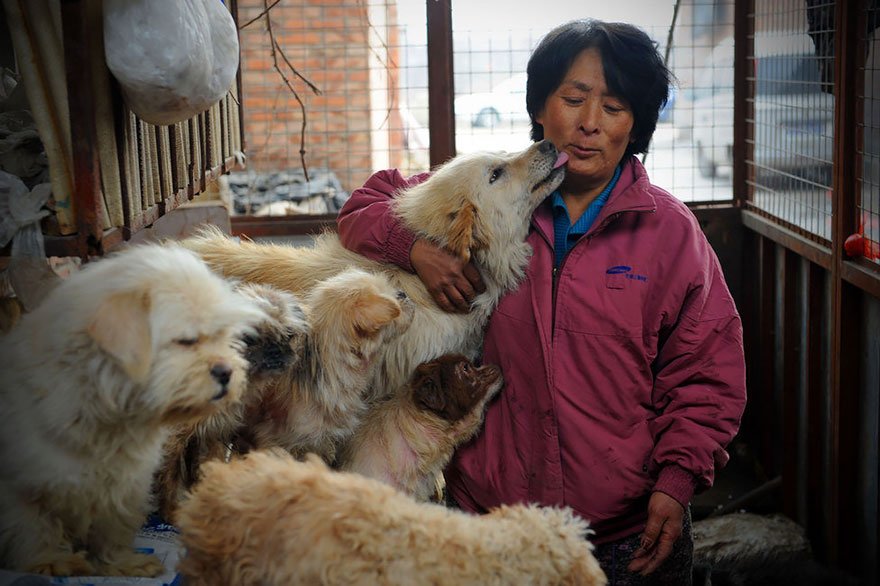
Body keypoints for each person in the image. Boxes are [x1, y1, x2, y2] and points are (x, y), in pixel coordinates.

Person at [337, 19, 746, 585]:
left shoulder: (670, 234)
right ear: (539, 107)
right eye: (573, 99)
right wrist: (415, 249)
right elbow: (363, 205)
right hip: (491, 523)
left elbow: (707, 374)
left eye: (614, 107)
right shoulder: (494, 204)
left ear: (637, 123)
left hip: (626, 533)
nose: (589, 124)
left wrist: (677, 482)